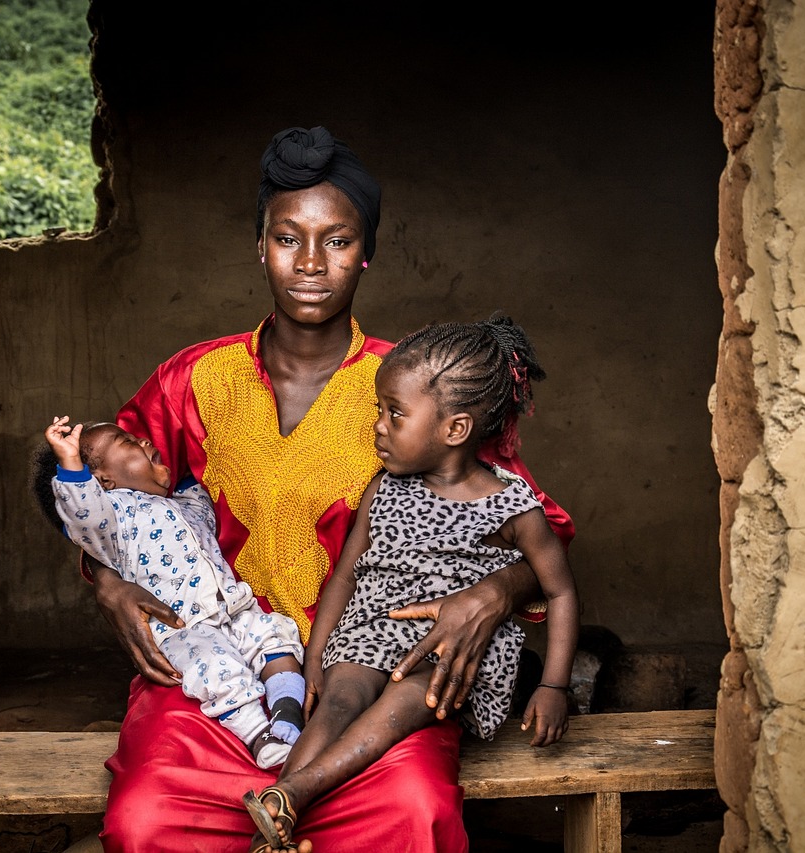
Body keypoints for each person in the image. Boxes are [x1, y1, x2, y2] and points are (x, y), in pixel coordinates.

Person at [80, 125, 575, 852]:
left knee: (411, 812)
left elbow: (541, 532)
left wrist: (493, 592)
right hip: (216, 676)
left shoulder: (415, 389)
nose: (311, 262)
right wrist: (107, 583)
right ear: (260, 245)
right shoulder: (194, 380)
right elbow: (98, 505)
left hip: (368, 676)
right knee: (145, 819)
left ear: (366, 251)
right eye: (288, 238)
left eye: (337, 241)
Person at [241, 316, 579, 852]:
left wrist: (553, 685)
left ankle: (291, 795)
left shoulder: (514, 506)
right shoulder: (385, 488)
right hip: (369, 634)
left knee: (396, 712)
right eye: (380, 410)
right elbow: (346, 576)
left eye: (394, 414)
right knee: (337, 705)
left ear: (455, 429)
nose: (378, 425)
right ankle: (279, 824)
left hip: (450, 656)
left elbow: (559, 591)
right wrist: (316, 659)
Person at [34, 415, 306, 768]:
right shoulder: (113, 518)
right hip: (186, 628)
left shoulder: (184, 504)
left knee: (276, 636)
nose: (145, 441)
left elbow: (201, 478)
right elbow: (84, 515)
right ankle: (259, 735)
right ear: (104, 480)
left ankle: (287, 713)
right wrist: (71, 463)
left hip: (234, 610)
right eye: (128, 443)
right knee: (216, 669)